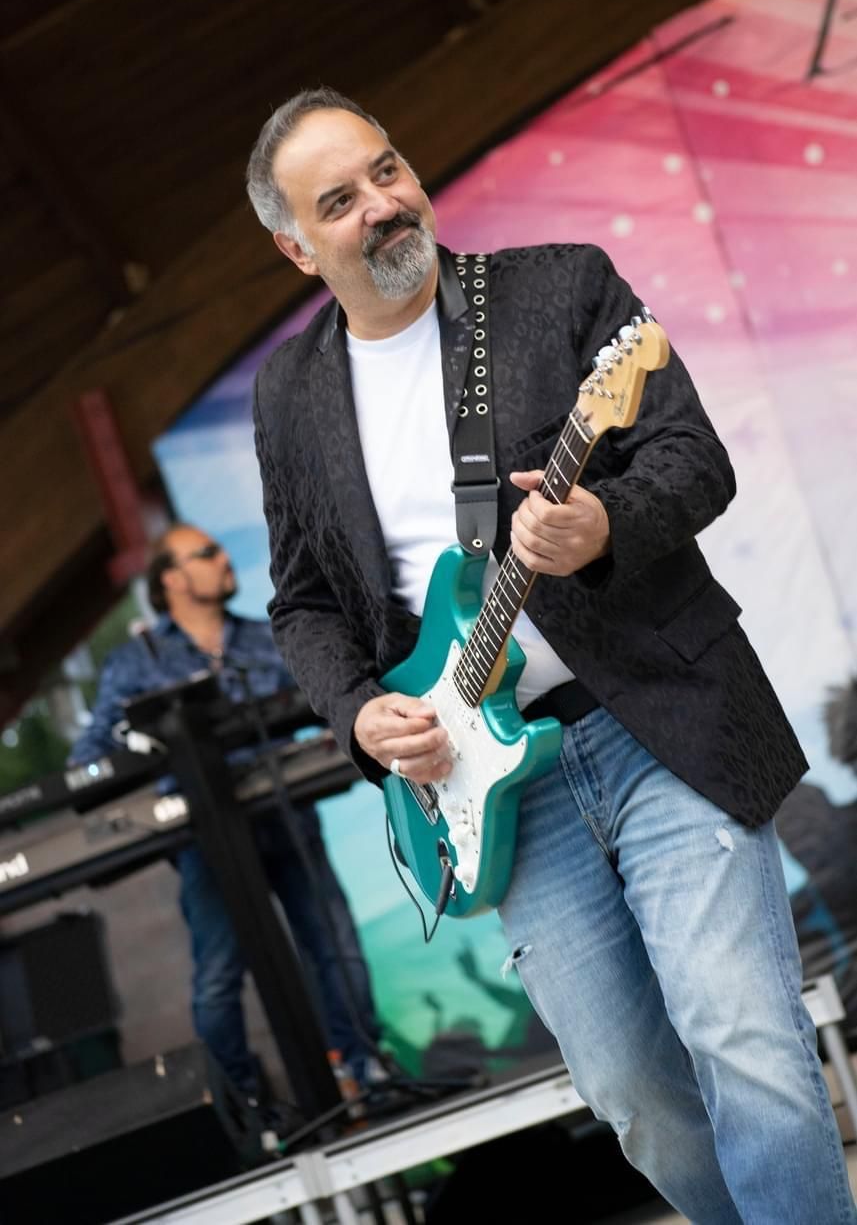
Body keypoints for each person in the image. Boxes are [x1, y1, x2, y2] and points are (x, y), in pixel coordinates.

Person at [246, 87, 856, 1221]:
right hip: (492, 789)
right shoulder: (289, 395)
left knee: (742, 1037)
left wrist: (602, 524)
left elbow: (691, 456)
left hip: (658, 721)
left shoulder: (557, 287)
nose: (382, 204)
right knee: (633, 1094)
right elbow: (304, 602)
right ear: (295, 248)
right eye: (339, 201)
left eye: (387, 169)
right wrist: (360, 714)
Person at [68, 522, 382, 1102]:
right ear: (171, 579)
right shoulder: (135, 662)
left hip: (287, 816)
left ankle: (360, 1074)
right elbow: (87, 760)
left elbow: (325, 703)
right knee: (218, 976)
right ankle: (243, 1106)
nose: (223, 560)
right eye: (206, 554)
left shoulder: (266, 637)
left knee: (334, 945)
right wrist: (145, 748)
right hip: (205, 840)